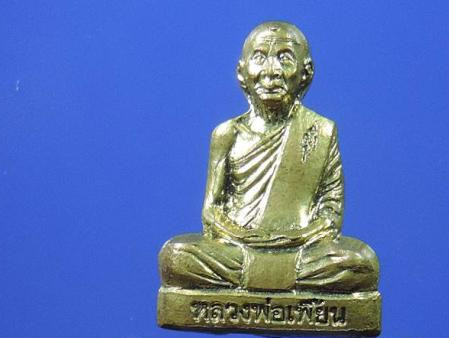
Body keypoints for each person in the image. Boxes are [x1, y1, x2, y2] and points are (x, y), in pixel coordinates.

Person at [159, 21, 378, 293]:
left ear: (306, 73)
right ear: (242, 73)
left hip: (301, 250)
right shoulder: (226, 134)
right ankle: (271, 277)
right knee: (176, 256)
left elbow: (330, 211)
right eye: (260, 58)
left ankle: (264, 277)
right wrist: (243, 237)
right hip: (237, 250)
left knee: (361, 263)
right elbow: (211, 211)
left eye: (285, 59)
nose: (271, 71)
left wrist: (297, 237)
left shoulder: (321, 130)